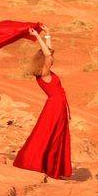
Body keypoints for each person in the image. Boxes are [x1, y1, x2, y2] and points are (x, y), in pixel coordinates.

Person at [12, 26, 73, 179]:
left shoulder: (44, 72)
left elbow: (49, 52)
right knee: (54, 134)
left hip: (57, 105)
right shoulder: (44, 74)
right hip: (55, 106)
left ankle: (52, 167)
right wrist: (37, 36)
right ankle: (49, 167)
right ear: (44, 61)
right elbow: (48, 54)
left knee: (55, 134)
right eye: (49, 58)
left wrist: (48, 35)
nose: (51, 59)